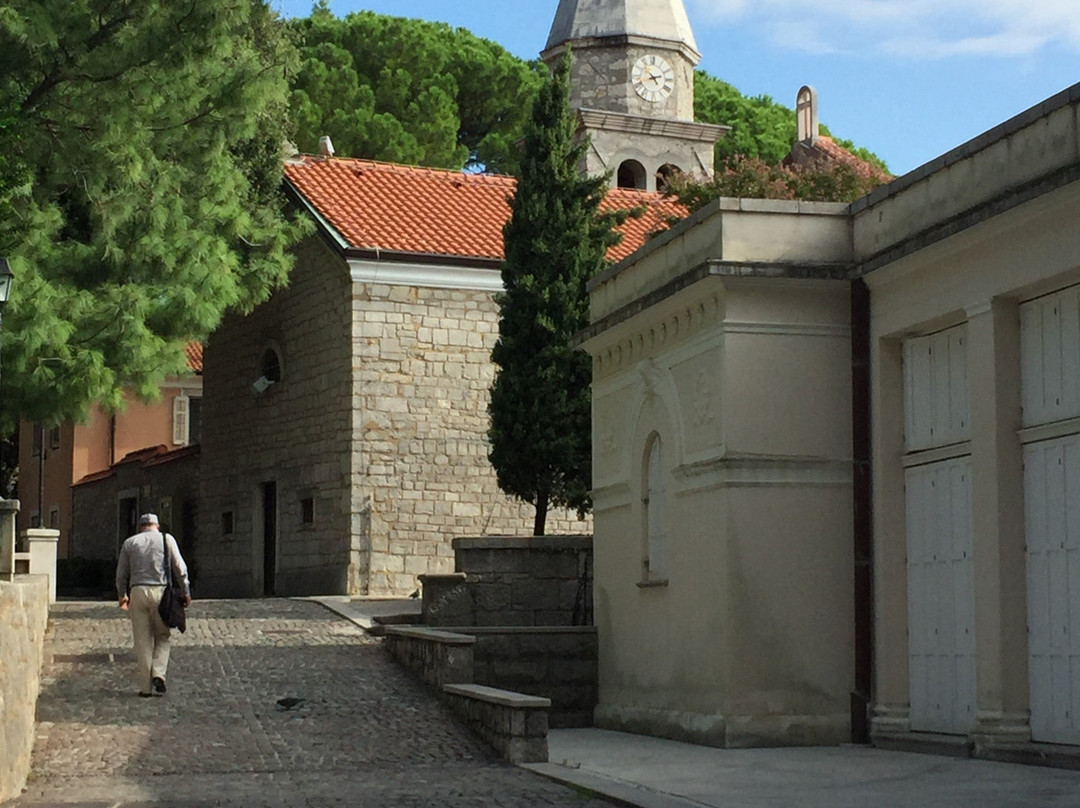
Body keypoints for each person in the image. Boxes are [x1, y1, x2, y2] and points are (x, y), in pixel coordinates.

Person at [115, 513, 191, 697]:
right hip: (161, 592)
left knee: (142, 641)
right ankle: (158, 673)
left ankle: (145, 688)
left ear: (141, 526)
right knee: (163, 636)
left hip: (137, 591)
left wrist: (122, 595)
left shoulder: (130, 543)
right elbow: (180, 568)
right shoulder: (167, 539)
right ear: (156, 525)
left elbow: (121, 574)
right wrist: (185, 590)